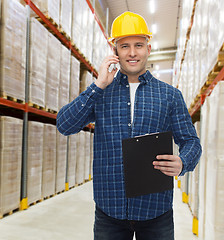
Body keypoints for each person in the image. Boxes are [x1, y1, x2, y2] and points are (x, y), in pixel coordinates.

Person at [56, 11, 202, 240]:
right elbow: (64, 125)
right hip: (109, 211)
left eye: (138, 45)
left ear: (148, 49)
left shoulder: (170, 96)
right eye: (124, 46)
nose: (132, 53)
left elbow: (191, 141)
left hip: (156, 211)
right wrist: (97, 85)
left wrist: (183, 162)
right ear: (114, 51)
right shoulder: (101, 93)